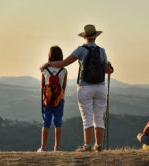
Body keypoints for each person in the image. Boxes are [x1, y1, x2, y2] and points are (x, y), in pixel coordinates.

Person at [40, 24, 114, 152]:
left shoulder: (81, 50)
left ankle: (87, 145)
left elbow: (64, 63)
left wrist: (48, 64)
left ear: (85, 37)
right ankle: (99, 145)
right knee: (99, 117)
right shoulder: (102, 51)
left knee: (87, 117)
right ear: (95, 37)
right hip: (100, 87)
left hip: (85, 86)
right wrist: (110, 67)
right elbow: (108, 70)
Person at [37, 46, 68, 152]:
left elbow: (42, 86)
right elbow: (64, 87)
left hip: (47, 100)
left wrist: (45, 98)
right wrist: (60, 96)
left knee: (46, 122)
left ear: (49, 56)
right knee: (58, 123)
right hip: (59, 100)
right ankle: (57, 147)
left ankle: (43, 147)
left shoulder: (45, 70)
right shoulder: (64, 71)